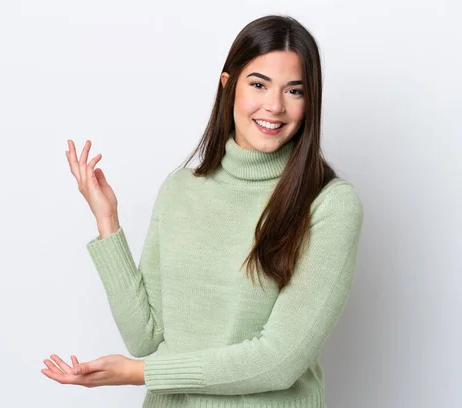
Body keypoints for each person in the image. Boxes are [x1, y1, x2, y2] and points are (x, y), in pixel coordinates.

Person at [41, 14, 364, 408]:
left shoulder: (329, 204)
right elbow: (144, 335)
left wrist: (140, 373)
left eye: (294, 91)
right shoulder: (180, 189)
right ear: (228, 86)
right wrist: (107, 221)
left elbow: (278, 362)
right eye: (259, 84)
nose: (275, 106)